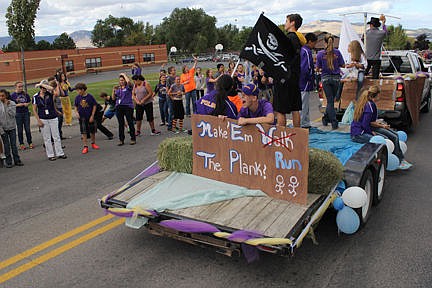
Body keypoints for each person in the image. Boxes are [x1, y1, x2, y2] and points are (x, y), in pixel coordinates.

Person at [350, 85, 412, 169]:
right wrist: (372, 133)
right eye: (379, 94)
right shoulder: (370, 106)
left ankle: (399, 158)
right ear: (376, 95)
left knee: (394, 136)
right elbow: (365, 124)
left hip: (366, 128)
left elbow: (370, 122)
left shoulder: (369, 103)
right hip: (359, 134)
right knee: (386, 139)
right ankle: (397, 160)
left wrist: (382, 125)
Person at [273, 13, 305, 128]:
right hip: (295, 77)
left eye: (286, 21)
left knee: (280, 109)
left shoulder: (288, 38)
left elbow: (281, 57)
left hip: (284, 77)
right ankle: (297, 136)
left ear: (292, 23)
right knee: (295, 108)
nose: (285, 23)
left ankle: (281, 136)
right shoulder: (299, 39)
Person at [316, 34, 345, 129]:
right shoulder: (337, 53)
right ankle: (329, 120)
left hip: (325, 78)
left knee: (330, 101)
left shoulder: (320, 54)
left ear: (324, 42)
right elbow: (343, 65)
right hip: (336, 78)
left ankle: (330, 120)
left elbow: (317, 68)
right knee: (331, 101)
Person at [32, 80, 67, 161]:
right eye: (42, 88)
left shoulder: (50, 94)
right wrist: (38, 120)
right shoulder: (35, 96)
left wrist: (42, 84)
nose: (44, 89)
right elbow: (34, 109)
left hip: (53, 117)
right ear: (40, 88)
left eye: (45, 87)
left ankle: (60, 153)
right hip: (43, 118)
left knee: (56, 136)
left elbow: (53, 90)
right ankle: (50, 154)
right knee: (47, 138)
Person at [0, 89, 23, 168]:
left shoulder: (12, 103)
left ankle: (17, 160)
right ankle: (8, 161)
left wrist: (7, 106)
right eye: (0, 96)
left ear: (6, 96)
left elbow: (13, 114)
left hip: (12, 127)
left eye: (3, 96)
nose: (1, 97)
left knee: (13, 145)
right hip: (3, 128)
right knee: (6, 145)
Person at [74, 83, 99, 154]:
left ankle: (93, 143)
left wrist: (92, 115)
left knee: (92, 131)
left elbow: (94, 105)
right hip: (82, 117)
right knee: (83, 131)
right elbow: (75, 106)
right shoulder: (77, 98)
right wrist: (76, 113)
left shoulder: (90, 97)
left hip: (89, 116)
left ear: (83, 90)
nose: (78, 92)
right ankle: (85, 146)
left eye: (78, 90)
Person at [300, 33, 318, 128]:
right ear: (310, 41)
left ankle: (305, 122)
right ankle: (302, 123)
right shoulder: (306, 51)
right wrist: (310, 78)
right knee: (304, 104)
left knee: (305, 104)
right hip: (304, 82)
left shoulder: (302, 50)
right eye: (314, 43)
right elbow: (306, 67)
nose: (314, 46)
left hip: (302, 81)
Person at [112, 73, 136, 146]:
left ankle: (133, 138)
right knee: (121, 124)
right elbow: (113, 98)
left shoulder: (128, 87)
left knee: (130, 122)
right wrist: (113, 90)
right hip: (119, 107)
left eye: (122, 80)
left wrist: (124, 74)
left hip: (128, 106)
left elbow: (129, 82)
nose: (121, 81)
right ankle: (121, 139)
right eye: (120, 80)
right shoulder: (118, 89)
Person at [10, 81, 33, 150]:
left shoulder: (25, 94)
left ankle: (30, 142)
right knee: (20, 130)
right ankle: (21, 144)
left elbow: (29, 101)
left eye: (21, 86)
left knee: (27, 129)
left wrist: (27, 104)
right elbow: (10, 105)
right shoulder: (12, 95)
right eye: (19, 87)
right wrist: (18, 105)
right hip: (18, 114)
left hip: (25, 113)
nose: (21, 88)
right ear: (15, 87)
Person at [165, 66, 177, 132]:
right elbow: (167, 89)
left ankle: (174, 124)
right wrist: (171, 97)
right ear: (170, 72)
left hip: (175, 96)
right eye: (173, 70)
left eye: (175, 70)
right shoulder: (168, 78)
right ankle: (170, 125)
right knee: (171, 111)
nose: (174, 71)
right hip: (170, 96)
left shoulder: (176, 77)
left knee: (175, 111)